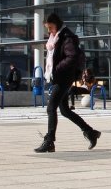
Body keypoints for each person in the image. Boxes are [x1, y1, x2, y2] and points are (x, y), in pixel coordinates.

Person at [34, 13, 101, 153]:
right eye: (47, 28)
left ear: (56, 24)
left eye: (50, 27)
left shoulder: (67, 38)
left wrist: (57, 68)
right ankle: (90, 132)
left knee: (51, 108)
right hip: (59, 78)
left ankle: (49, 141)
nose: (49, 31)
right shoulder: (56, 37)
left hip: (64, 78)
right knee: (64, 110)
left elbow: (73, 56)